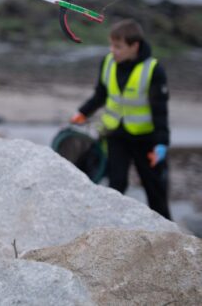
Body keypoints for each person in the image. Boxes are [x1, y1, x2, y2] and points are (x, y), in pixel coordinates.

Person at [70, 18, 171, 219]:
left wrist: (161, 144)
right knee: (116, 184)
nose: (112, 50)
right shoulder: (107, 62)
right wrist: (82, 112)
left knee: (155, 189)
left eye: (118, 46)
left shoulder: (153, 70)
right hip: (115, 135)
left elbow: (160, 112)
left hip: (146, 140)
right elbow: (101, 94)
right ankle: (110, 227)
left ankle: (170, 233)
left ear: (135, 46)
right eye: (111, 45)